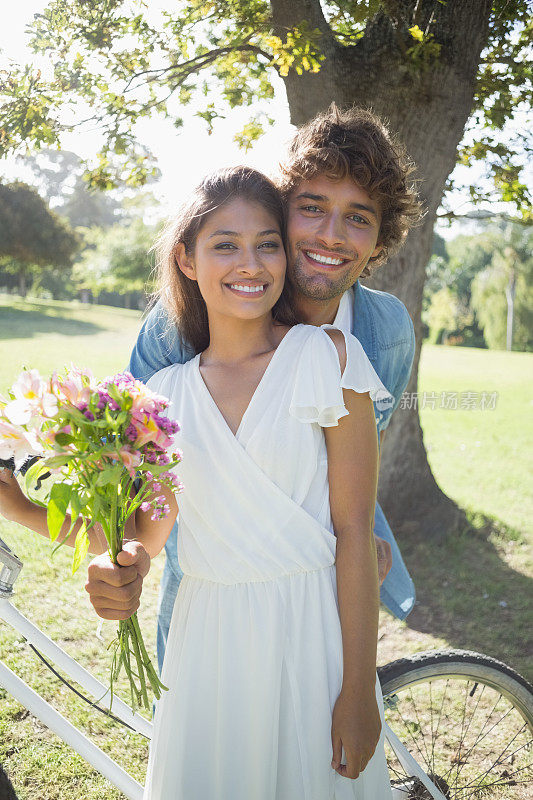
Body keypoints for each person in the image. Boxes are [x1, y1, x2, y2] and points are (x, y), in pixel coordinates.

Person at [0, 165, 394, 796]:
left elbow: (353, 530)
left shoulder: (326, 358)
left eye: (268, 243)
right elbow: (143, 538)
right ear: (185, 259)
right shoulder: (163, 396)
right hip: (209, 641)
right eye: (226, 245)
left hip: (312, 632)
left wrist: (357, 689)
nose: (252, 263)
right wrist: (91, 554)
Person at [121, 104, 422, 674]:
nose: (331, 235)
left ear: (381, 238)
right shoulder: (181, 325)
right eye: (311, 208)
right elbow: (138, 472)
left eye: (358, 217)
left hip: (328, 582)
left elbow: (350, 463)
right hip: (213, 582)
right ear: (281, 212)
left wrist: (357, 542)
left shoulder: (385, 334)